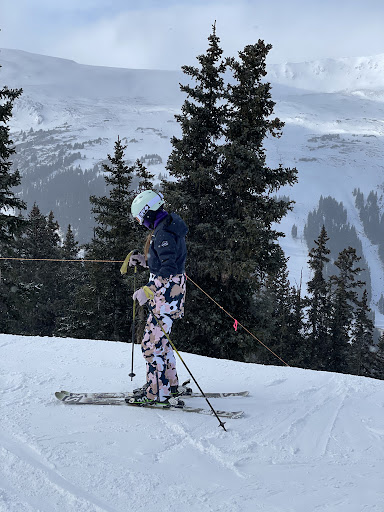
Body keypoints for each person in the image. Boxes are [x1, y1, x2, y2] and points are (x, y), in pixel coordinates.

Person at [127, 189, 189, 405]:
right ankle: (168, 385)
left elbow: (169, 267)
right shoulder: (168, 226)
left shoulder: (162, 233)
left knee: (150, 345)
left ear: (148, 212)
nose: (141, 223)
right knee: (162, 344)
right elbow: (165, 262)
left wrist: (148, 289)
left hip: (166, 295)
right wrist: (143, 261)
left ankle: (156, 393)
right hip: (172, 293)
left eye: (140, 218)